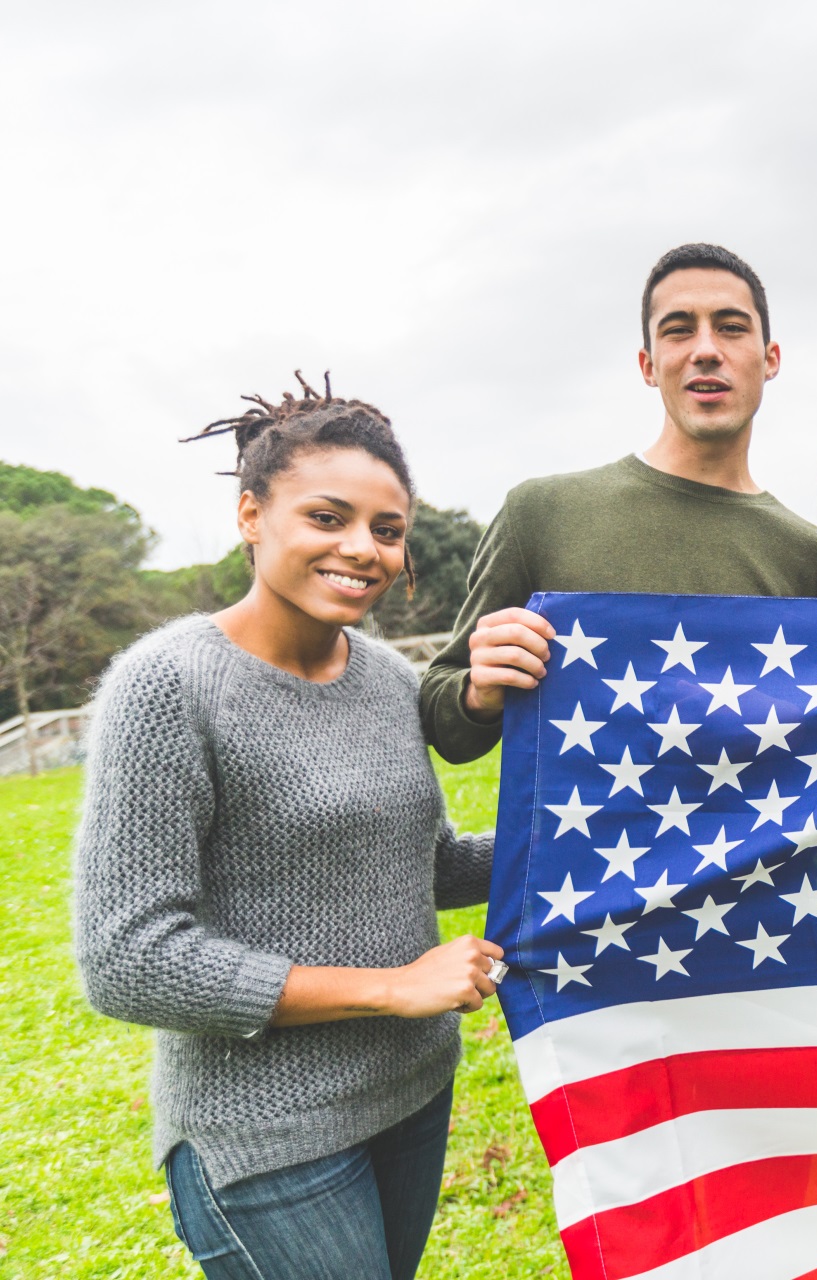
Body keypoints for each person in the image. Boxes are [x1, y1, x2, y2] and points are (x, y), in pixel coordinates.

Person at [73, 376, 501, 1280]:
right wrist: (391, 988)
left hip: (413, 1093)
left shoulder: (386, 678)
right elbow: (128, 957)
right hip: (266, 1142)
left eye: (388, 531)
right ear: (251, 515)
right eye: (328, 517)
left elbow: (415, 865)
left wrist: (598, 842)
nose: (363, 550)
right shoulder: (168, 686)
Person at [419, 243, 817, 764]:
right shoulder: (540, 515)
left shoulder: (816, 557)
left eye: (731, 326)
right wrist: (478, 692)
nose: (706, 348)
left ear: (770, 359)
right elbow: (444, 721)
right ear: (648, 365)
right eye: (678, 329)